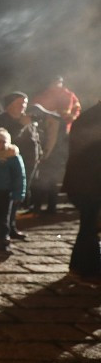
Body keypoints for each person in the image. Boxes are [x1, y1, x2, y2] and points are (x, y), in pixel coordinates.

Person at [0, 92, 40, 240]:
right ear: (10, 104)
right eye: (19, 103)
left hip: (28, 163)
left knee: (18, 195)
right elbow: (2, 141)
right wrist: (20, 125)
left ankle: (12, 225)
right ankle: (2, 227)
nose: (23, 106)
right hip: (8, 164)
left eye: (24, 103)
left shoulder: (26, 119)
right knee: (7, 196)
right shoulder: (1, 120)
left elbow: (34, 138)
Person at [64, 101, 101, 282]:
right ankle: (87, 268)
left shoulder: (88, 117)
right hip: (90, 184)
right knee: (90, 226)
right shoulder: (93, 119)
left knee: (89, 225)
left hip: (84, 183)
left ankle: (81, 267)